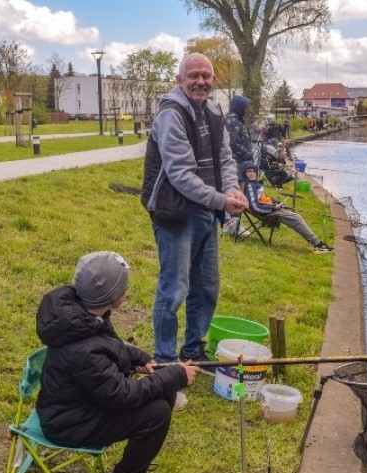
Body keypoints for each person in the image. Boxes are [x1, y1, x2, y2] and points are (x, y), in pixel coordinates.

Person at [35, 251, 199, 473]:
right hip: (67, 423)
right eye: (124, 286)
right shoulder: (84, 350)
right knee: (156, 413)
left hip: (77, 404)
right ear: (112, 296)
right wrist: (175, 375)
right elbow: (124, 396)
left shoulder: (84, 315)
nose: (127, 290)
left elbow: (108, 345)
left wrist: (140, 359)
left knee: (162, 392)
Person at [140, 53, 248, 396]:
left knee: (207, 287)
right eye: (194, 76)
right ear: (179, 79)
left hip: (205, 210)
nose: (201, 81)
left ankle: (192, 351)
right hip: (176, 212)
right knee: (174, 289)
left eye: (206, 75)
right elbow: (181, 176)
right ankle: (165, 362)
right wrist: (222, 201)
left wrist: (231, 187)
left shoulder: (214, 111)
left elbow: (226, 158)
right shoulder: (171, 115)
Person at [240, 161, 333, 253]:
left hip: (269, 209)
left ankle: (316, 243)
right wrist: (274, 208)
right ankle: (318, 244)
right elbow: (255, 207)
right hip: (265, 213)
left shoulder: (254, 184)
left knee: (295, 215)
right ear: (244, 173)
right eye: (249, 171)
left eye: (253, 171)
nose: (252, 174)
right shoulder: (250, 186)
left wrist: (277, 203)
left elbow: (263, 199)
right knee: (296, 218)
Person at [222, 94, 255, 236]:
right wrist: (247, 154)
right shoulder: (233, 121)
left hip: (240, 162)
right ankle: (233, 226)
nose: (247, 110)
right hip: (235, 163)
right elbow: (233, 143)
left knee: (238, 191)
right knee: (236, 192)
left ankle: (234, 223)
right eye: (245, 107)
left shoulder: (236, 120)